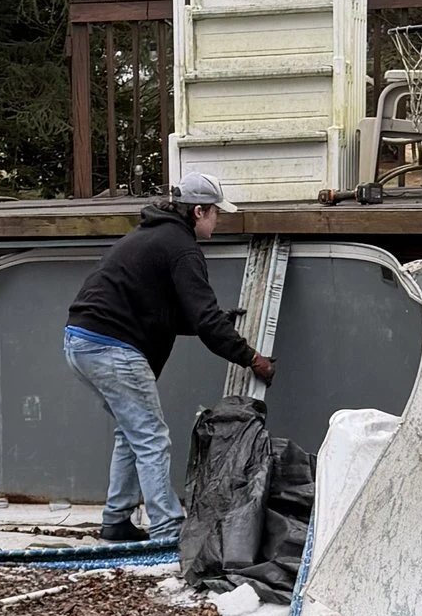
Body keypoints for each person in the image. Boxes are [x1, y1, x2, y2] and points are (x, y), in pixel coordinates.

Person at [63, 171, 273, 546]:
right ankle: (166, 530)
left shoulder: (151, 236)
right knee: (152, 437)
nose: (218, 220)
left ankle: (116, 520)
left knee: (132, 433)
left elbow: (169, 315)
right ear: (197, 212)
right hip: (112, 345)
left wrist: (216, 321)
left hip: (82, 341)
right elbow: (205, 321)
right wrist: (251, 358)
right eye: (215, 213)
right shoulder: (182, 247)